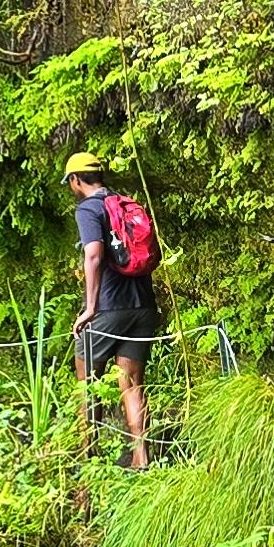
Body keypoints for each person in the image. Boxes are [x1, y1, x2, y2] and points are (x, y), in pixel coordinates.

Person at [64, 151, 163, 466]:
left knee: (87, 383)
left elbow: (93, 255)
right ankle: (141, 458)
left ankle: (87, 458)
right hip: (143, 305)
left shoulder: (89, 209)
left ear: (76, 180)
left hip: (109, 308)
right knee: (132, 384)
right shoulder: (126, 203)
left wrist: (90, 307)